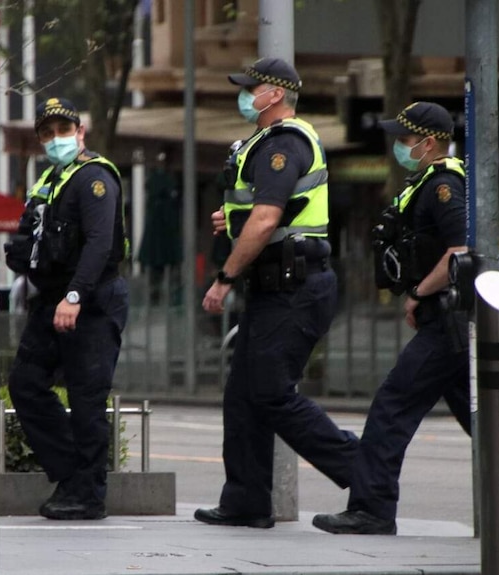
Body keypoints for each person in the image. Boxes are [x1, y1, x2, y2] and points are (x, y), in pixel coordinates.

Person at [194, 57, 359, 529]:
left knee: (269, 392)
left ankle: (361, 468)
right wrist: (235, 222)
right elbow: (269, 215)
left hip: (296, 287)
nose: (245, 95)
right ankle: (246, 500)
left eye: (253, 88)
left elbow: (267, 219)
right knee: (243, 394)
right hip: (277, 286)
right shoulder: (265, 144)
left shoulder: (284, 143)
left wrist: (223, 278)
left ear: (276, 95)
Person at [312, 102, 471, 536]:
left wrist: (420, 293)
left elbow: (459, 250)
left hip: (446, 319)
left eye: (406, 139)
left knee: (391, 406)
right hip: (445, 318)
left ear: (429, 142)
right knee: (484, 417)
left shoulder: (444, 187)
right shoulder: (426, 182)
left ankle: (372, 509)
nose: (400, 147)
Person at [5, 97, 129, 521]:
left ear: (80, 132)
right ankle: (72, 474)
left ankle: (89, 494)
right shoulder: (48, 182)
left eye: (63, 130)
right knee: (24, 383)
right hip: (52, 300)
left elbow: (99, 244)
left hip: (90, 302)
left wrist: (74, 296)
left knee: (87, 398)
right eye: (47, 133)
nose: (55, 139)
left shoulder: (94, 179)